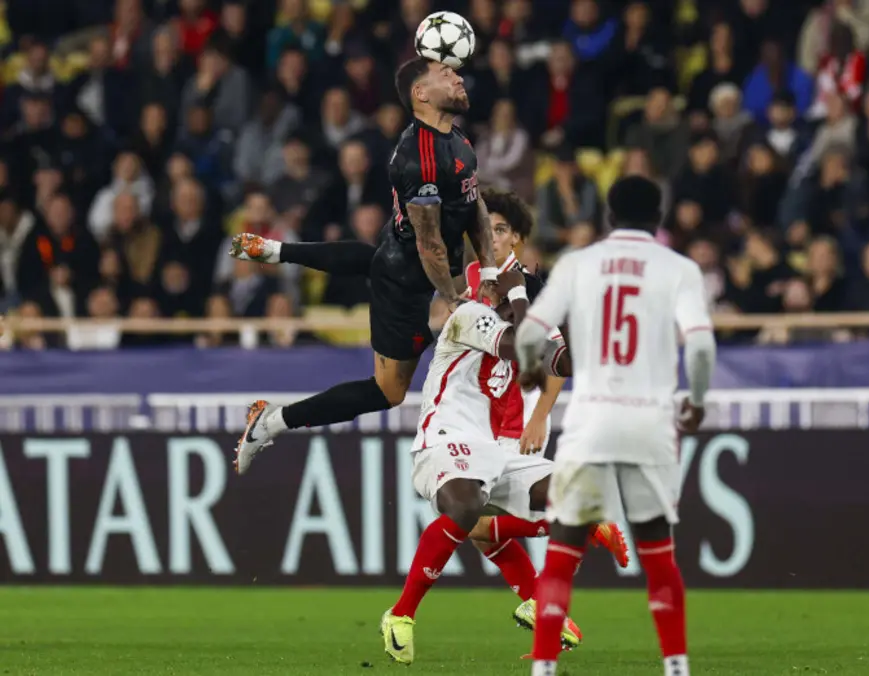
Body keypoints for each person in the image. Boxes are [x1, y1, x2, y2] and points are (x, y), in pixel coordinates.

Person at [231, 57, 496, 473]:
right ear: (421, 93)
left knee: (377, 260)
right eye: (446, 75)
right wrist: (451, 297)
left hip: (413, 262)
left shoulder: (458, 138)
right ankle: (270, 422)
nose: (458, 77)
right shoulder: (417, 157)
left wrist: (490, 270)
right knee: (388, 392)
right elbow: (429, 244)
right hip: (405, 285)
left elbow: (473, 205)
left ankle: (277, 251)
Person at [514, 176, 717, 676]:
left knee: (562, 553)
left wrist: (531, 368)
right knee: (658, 556)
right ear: (658, 218)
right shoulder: (679, 268)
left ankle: (544, 668)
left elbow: (530, 332)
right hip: (650, 423)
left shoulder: (578, 264)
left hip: (590, 422)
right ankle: (676, 666)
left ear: (609, 217)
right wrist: (695, 402)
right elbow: (701, 346)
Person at [379, 268, 629, 665]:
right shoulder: (469, 315)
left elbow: (565, 363)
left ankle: (539, 595)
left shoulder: (527, 327)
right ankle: (401, 615)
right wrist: (519, 296)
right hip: (445, 438)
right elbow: (519, 348)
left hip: (495, 450)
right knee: (466, 509)